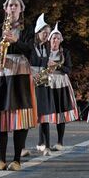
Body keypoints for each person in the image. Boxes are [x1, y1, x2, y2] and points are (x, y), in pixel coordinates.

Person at [0, 0, 39, 170]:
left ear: (20, 9)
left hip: (20, 72)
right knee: (0, 115)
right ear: (5, 9)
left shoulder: (27, 28)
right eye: (10, 5)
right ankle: (1, 159)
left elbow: (32, 51)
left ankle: (16, 159)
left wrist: (15, 41)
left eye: (16, 5)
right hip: (2, 73)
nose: (13, 8)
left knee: (19, 116)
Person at [32, 20, 77, 153]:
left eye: (57, 38)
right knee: (44, 111)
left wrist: (57, 66)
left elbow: (68, 69)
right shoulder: (44, 50)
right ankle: (42, 141)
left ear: (60, 40)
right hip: (47, 81)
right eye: (53, 38)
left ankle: (59, 141)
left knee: (60, 111)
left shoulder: (65, 53)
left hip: (61, 83)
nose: (55, 40)